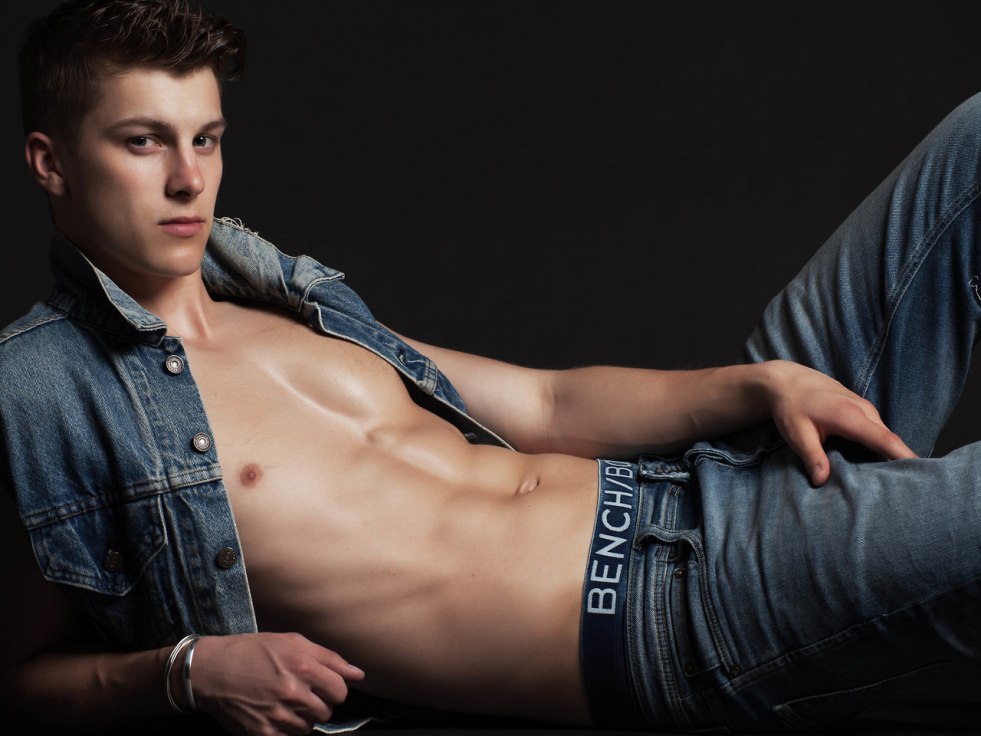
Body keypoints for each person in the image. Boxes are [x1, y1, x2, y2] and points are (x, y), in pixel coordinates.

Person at [2, 1, 980, 734]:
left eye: (205, 138)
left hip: (703, 475)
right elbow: (18, 675)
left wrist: (760, 386)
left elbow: (546, 402)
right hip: (674, 609)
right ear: (50, 162)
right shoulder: (37, 393)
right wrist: (183, 670)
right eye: (144, 142)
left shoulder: (275, 298)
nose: (189, 178)